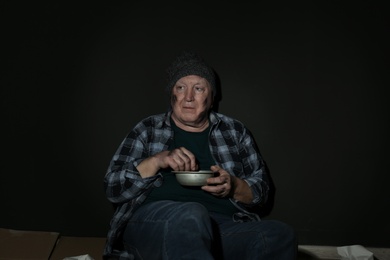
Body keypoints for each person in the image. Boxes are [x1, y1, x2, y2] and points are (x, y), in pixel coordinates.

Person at [103, 51, 297, 259]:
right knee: (192, 214)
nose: (188, 97)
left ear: (211, 97)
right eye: (180, 88)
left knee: (279, 234)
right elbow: (112, 189)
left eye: (198, 88)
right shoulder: (148, 129)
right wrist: (156, 161)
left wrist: (233, 185)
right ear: (172, 95)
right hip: (154, 223)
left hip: (221, 227)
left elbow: (261, 191)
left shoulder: (234, 131)